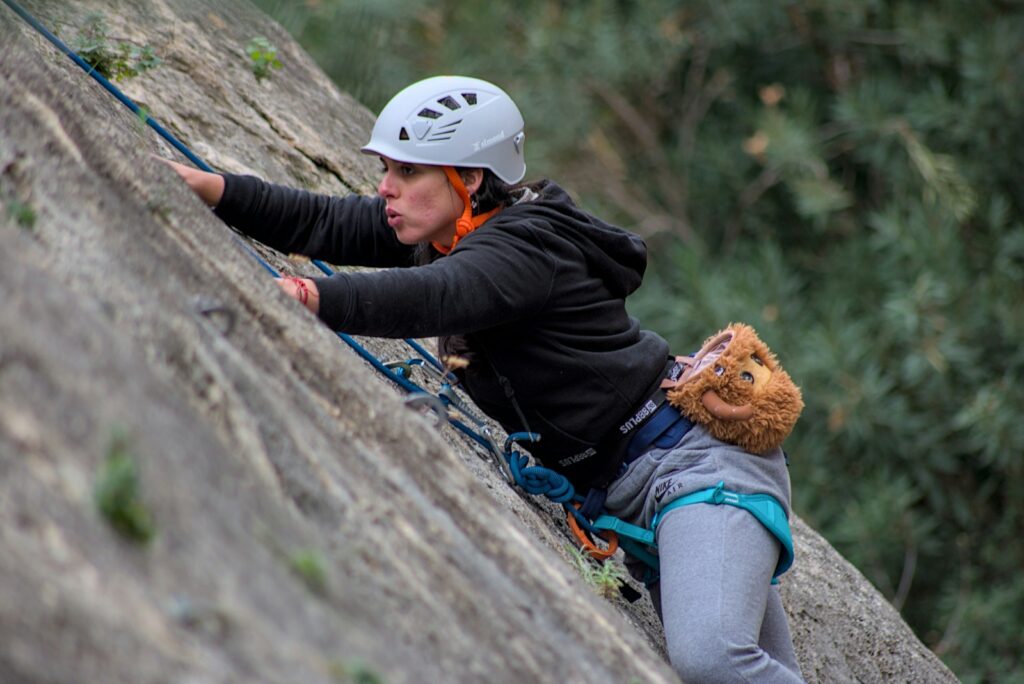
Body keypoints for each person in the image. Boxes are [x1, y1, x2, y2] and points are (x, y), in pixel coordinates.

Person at [165, 75, 804, 683]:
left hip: (691, 470)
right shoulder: (445, 230)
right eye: (386, 168)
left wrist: (315, 298)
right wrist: (215, 189)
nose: (386, 187)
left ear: (470, 179)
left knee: (715, 662)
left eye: (407, 171)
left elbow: (437, 297)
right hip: (639, 488)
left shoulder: (525, 248)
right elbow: (325, 221)